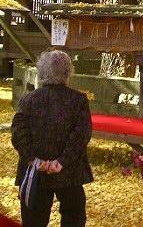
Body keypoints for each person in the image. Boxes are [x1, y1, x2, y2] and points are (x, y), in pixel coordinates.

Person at [11, 50, 93, 227]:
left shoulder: (28, 99)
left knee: (34, 220)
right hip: (69, 171)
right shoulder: (78, 100)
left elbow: (18, 132)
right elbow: (81, 135)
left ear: (41, 72)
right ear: (67, 72)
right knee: (74, 216)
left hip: (35, 172)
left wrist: (33, 159)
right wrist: (61, 162)